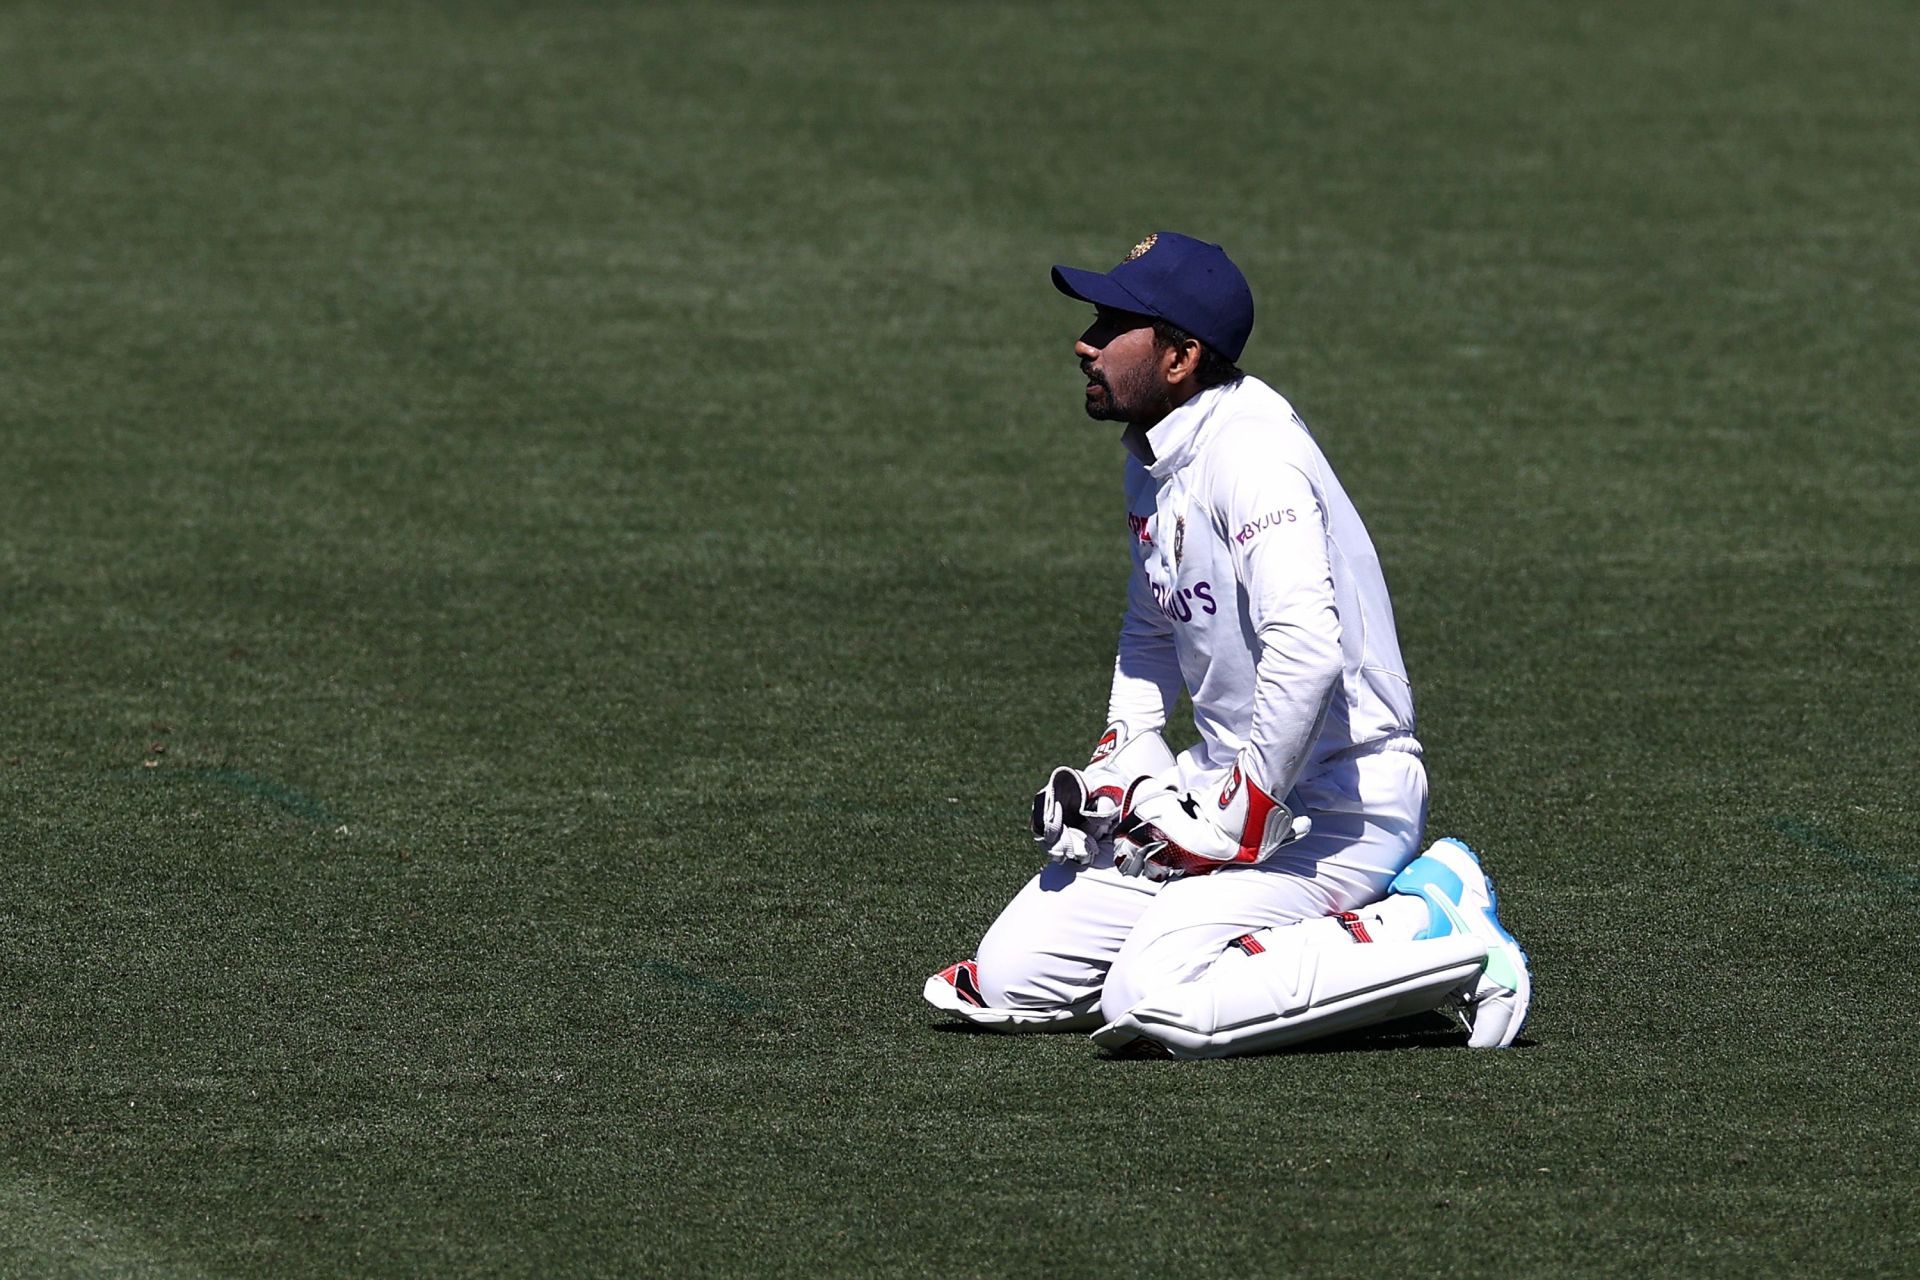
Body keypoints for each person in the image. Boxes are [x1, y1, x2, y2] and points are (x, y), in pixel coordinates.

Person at [924, 232, 1531, 1058]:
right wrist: (1120, 760)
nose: (1086, 341)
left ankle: (1433, 918)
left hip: (1338, 809)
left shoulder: (1253, 455)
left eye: (1113, 323)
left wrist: (1244, 813)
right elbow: (1152, 626)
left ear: (1180, 357)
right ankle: (1289, 948)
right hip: (1218, 797)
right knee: (1011, 978)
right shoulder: (1155, 448)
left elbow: (1307, 649)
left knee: (1155, 996)